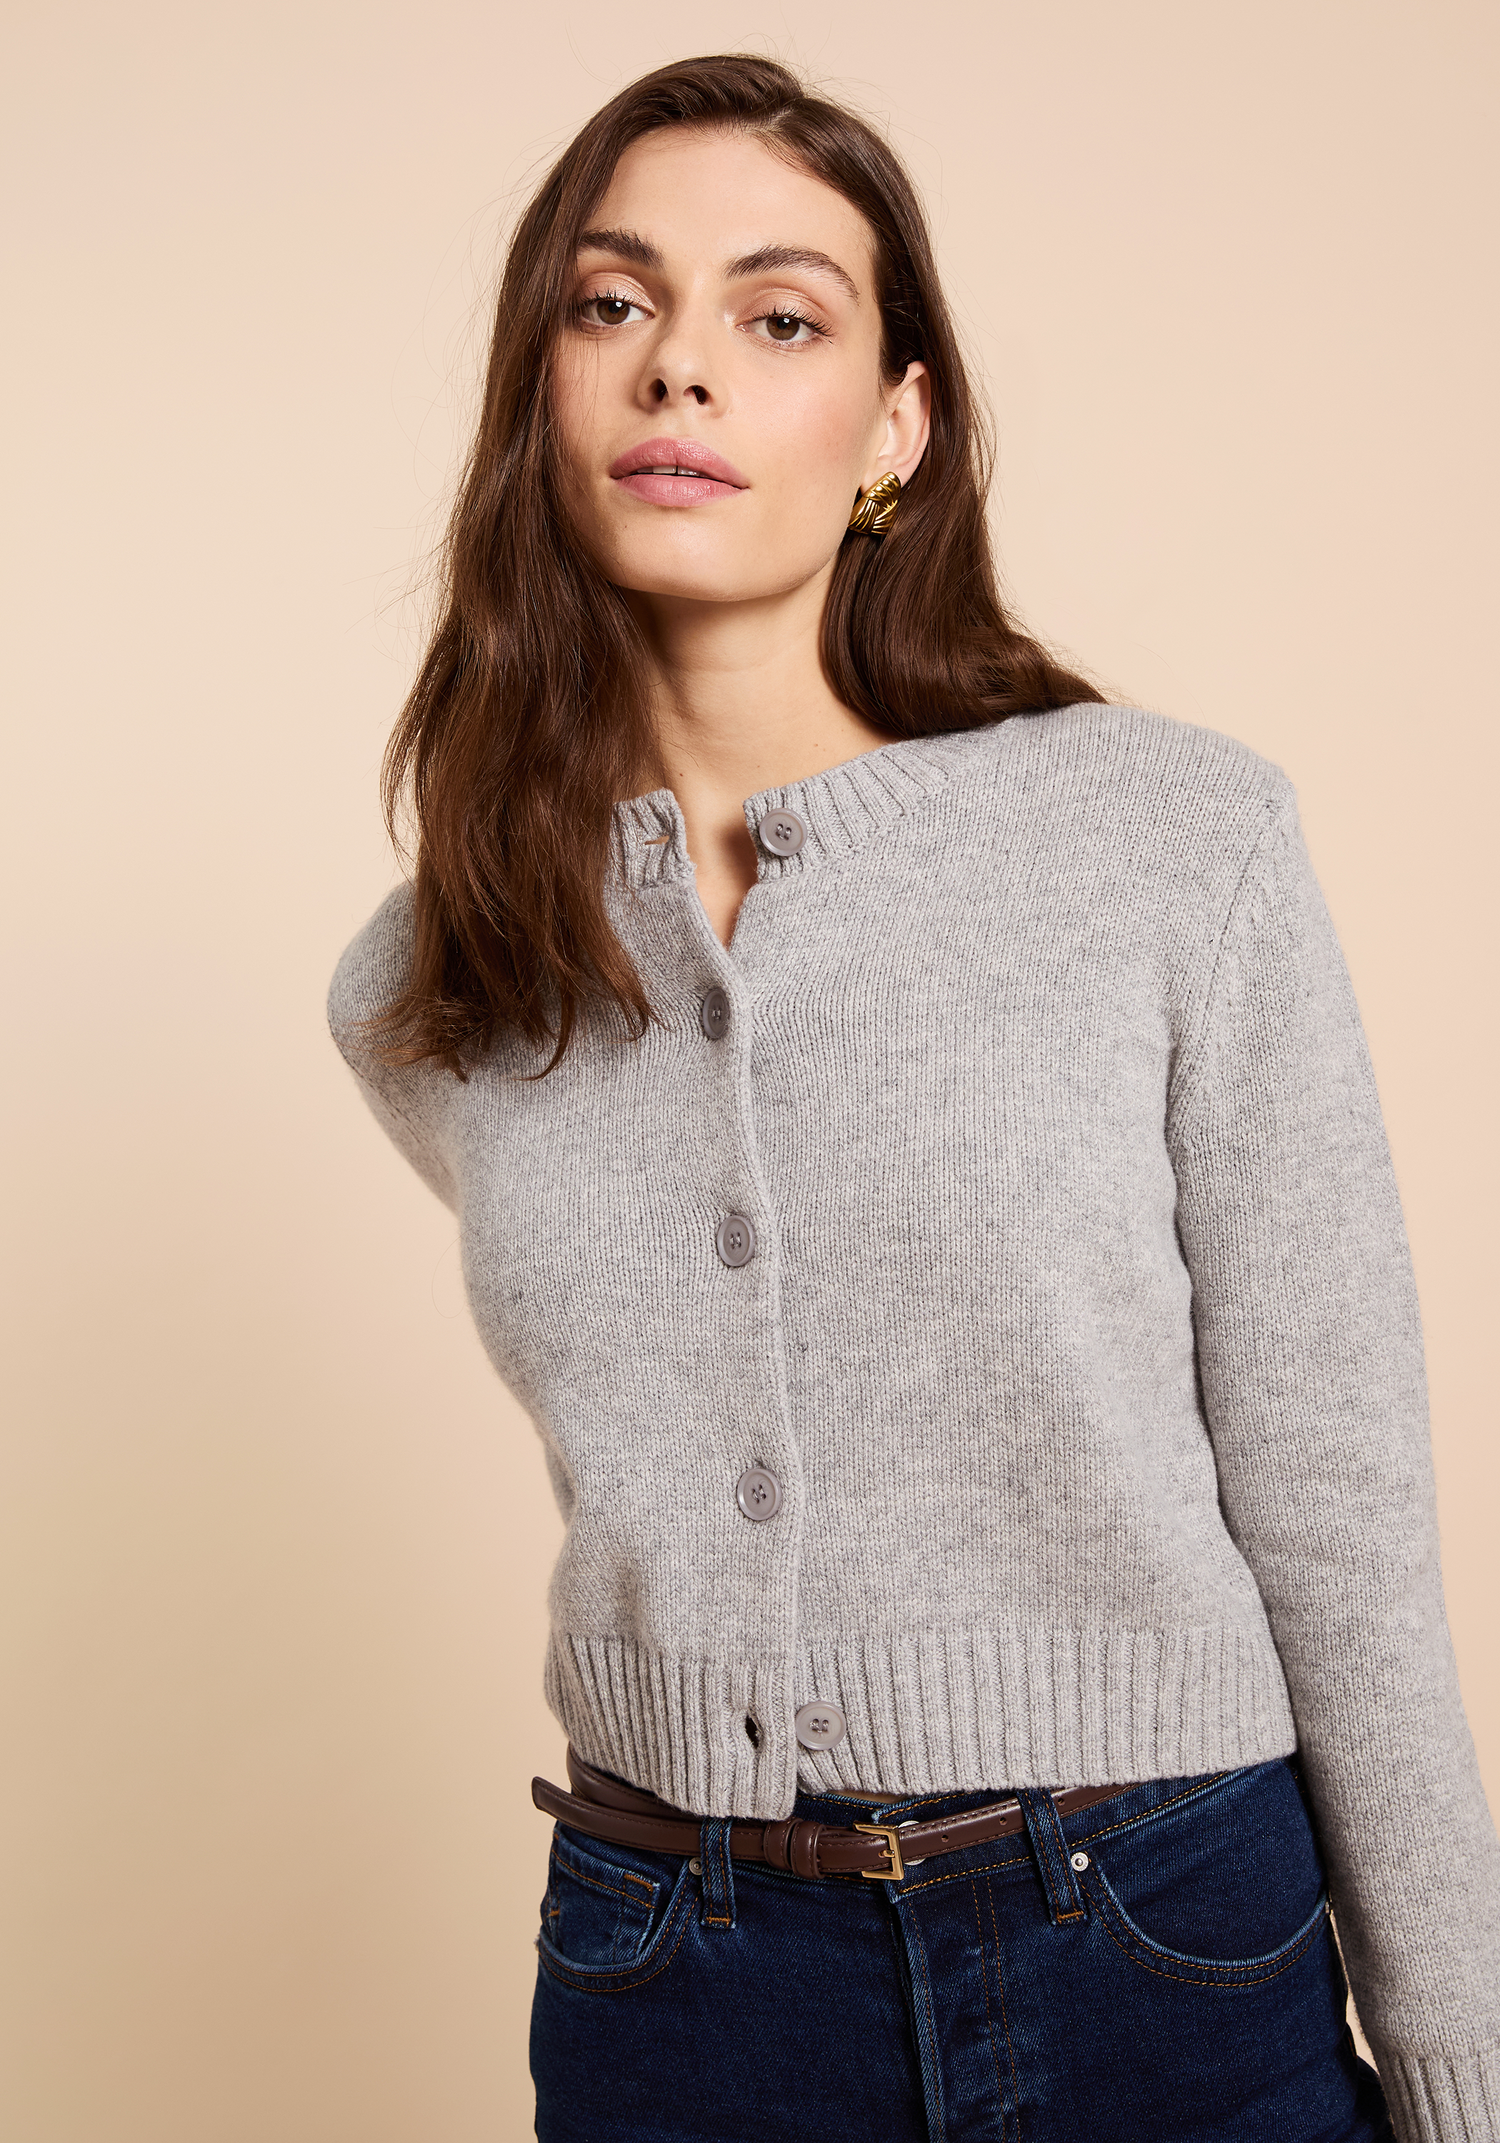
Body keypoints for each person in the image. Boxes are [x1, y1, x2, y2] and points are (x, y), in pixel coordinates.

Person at [328, 53, 1499, 2143]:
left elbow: (1335, 1499)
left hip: (1158, 1937)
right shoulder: (441, 974)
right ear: (541, 389)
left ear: (897, 426)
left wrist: (1454, 2053)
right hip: (676, 1977)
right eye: (613, 303)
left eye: (778, 316)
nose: (680, 365)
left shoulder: (1170, 844)